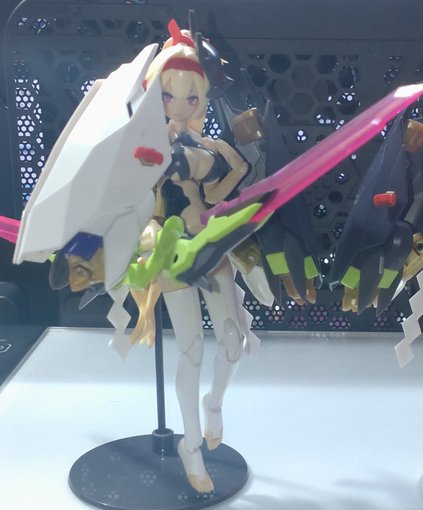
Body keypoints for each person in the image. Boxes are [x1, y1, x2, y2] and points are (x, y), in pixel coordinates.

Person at [138, 20, 255, 493]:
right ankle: (190, 443)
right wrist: (148, 235)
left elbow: (216, 195)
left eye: (192, 97)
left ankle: (215, 404)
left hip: (207, 240)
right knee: (191, 348)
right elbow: (138, 201)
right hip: (170, 250)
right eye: (170, 95)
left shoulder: (205, 143)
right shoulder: (147, 146)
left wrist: (236, 165)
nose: (181, 106)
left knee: (232, 341)